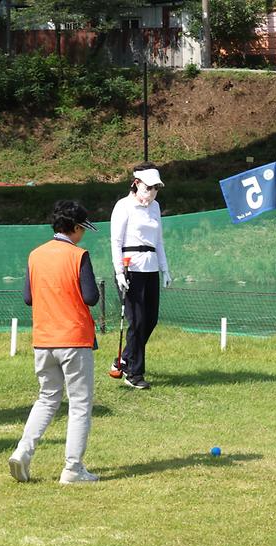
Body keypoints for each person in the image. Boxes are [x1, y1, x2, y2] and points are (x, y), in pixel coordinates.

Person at [9, 200, 100, 484]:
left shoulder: (35, 255)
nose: (82, 235)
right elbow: (91, 297)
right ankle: (73, 469)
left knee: (47, 398)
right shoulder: (78, 255)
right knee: (79, 403)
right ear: (73, 228)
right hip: (73, 338)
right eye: (82, 229)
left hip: (44, 339)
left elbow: (28, 298)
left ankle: (23, 452)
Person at [109, 162, 172, 390]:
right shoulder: (123, 206)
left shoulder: (155, 207)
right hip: (130, 268)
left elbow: (159, 241)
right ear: (136, 184)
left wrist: (165, 269)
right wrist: (118, 271)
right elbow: (116, 241)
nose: (152, 193)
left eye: (156, 188)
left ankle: (124, 359)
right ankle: (134, 374)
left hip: (150, 267)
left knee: (150, 320)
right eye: (149, 188)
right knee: (136, 322)